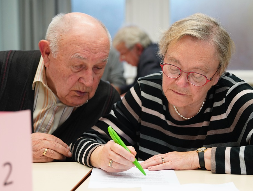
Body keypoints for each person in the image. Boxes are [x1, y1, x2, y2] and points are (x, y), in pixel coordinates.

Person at [71, 13, 253, 175]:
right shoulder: (146, 92)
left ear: (216, 75)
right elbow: (83, 141)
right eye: (173, 67)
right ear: (163, 57)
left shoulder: (235, 97)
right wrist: (100, 154)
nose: (181, 83)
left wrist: (196, 158)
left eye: (197, 75)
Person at [0, 12, 120, 162]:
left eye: (99, 67)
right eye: (78, 66)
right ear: (47, 53)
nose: (89, 82)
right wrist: (12, 146)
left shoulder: (106, 101)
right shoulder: (3, 71)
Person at [113, 25, 161, 95]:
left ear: (138, 48)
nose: (121, 59)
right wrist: (120, 89)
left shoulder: (150, 57)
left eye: (123, 54)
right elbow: (136, 85)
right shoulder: (148, 54)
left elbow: (152, 88)